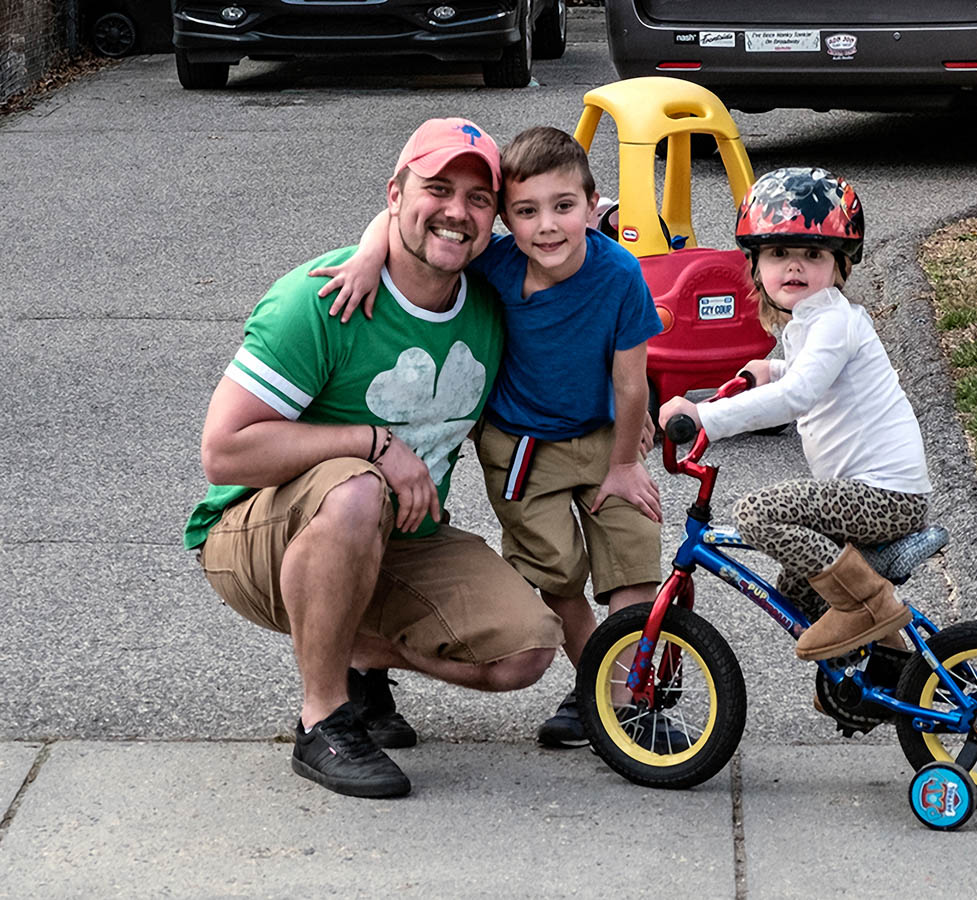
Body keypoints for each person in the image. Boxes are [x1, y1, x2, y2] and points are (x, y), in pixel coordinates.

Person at [183, 117, 564, 799]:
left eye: (479, 199)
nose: (457, 211)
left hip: (397, 535)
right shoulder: (322, 297)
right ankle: (324, 717)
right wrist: (370, 442)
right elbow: (223, 451)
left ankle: (351, 650)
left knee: (525, 650)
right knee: (359, 489)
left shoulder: (491, 299)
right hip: (258, 533)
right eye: (438, 189)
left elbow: (576, 254)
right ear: (394, 193)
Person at [313, 126, 665, 749]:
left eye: (564, 207)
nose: (547, 227)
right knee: (557, 575)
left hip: (607, 438)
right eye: (526, 212)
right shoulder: (497, 263)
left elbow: (632, 384)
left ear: (594, 204)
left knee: (630, 558)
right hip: (520, 448)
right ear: (505, 220)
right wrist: (369, 253)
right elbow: (404, 225)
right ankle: (596, 689)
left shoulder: (620, 276)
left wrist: (623, 465)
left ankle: (627, 697)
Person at [658, 167, 931, 662]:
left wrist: (703, 416)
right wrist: (774, 369)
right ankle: (876, 674)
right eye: (779, 253)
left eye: (813, 254)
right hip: (869, 491)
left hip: (884, 496)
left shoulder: (831, 321)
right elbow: (811, 377)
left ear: (841, 265)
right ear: (756, 263)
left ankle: (868, 607)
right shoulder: (813, 322)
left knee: (757, 513)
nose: (795, 267)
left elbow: (800, 396)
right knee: (795, 590)